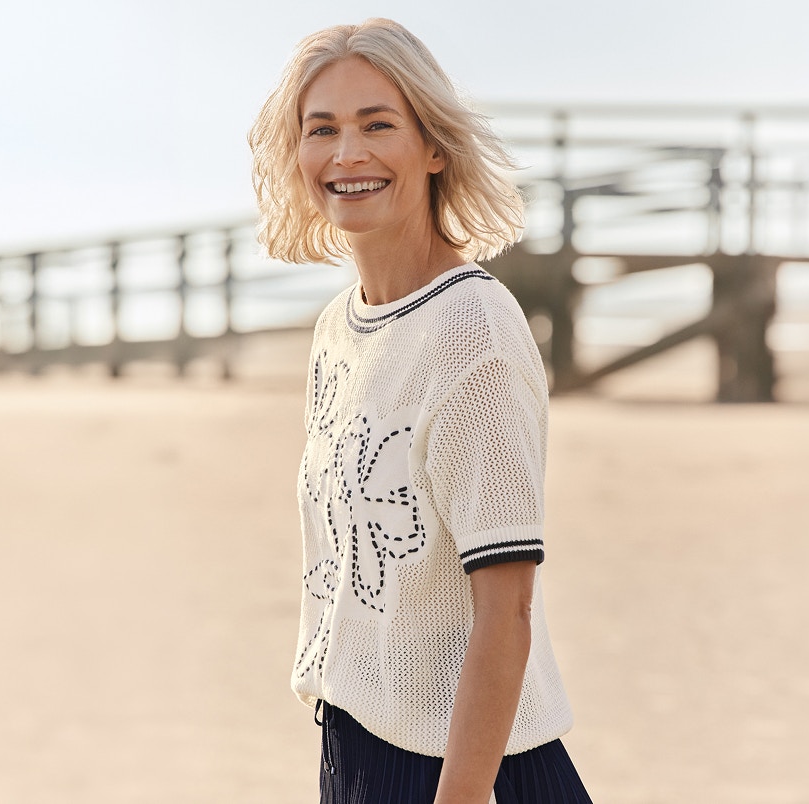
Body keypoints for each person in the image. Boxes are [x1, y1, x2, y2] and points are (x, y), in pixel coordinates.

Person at [248, 18, 592, 804]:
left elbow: (506, 609)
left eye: (378, 125)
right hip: (356, 746)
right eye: (322, 129)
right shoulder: (339, 328)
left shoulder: (474, 331)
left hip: (469, 772)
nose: (347, 154)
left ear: (433, 146)